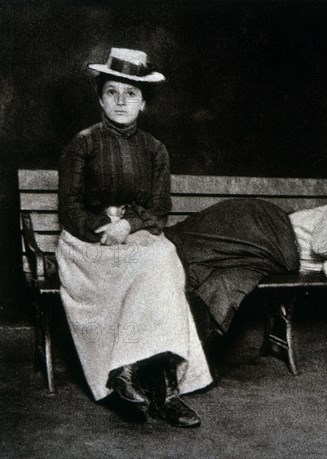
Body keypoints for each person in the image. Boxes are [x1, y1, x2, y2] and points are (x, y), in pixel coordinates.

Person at [57, 48, 212, 427]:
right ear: (100, 98)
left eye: (131, 94)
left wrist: (129, 226)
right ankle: (163, 388)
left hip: (135, 239)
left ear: (144, 103)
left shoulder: (155, 150)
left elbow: (159, 210)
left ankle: (132, 375)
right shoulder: (83, 144)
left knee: (161, 259)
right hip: (87, 248)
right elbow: (70, 210)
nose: (121, 101)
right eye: (112, 92)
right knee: (160, 263)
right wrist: (108, 230)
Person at [164, 196, 327, 343]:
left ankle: (177, 350)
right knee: (190, 244)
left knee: (222, 284)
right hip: (267, 228)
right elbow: (322, 244)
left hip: (275, 258)